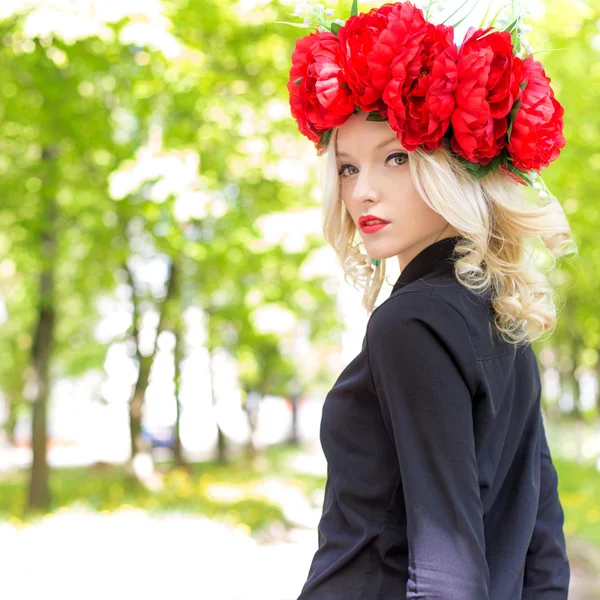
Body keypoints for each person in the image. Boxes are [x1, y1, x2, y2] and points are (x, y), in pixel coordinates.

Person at [284, 1, 578, 599]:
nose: (362, 191)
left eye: (394, 158)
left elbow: (448, 563)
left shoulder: (410, 323)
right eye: (345, 167)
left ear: (450, 165)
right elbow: (543, 545)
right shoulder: (501, 310)